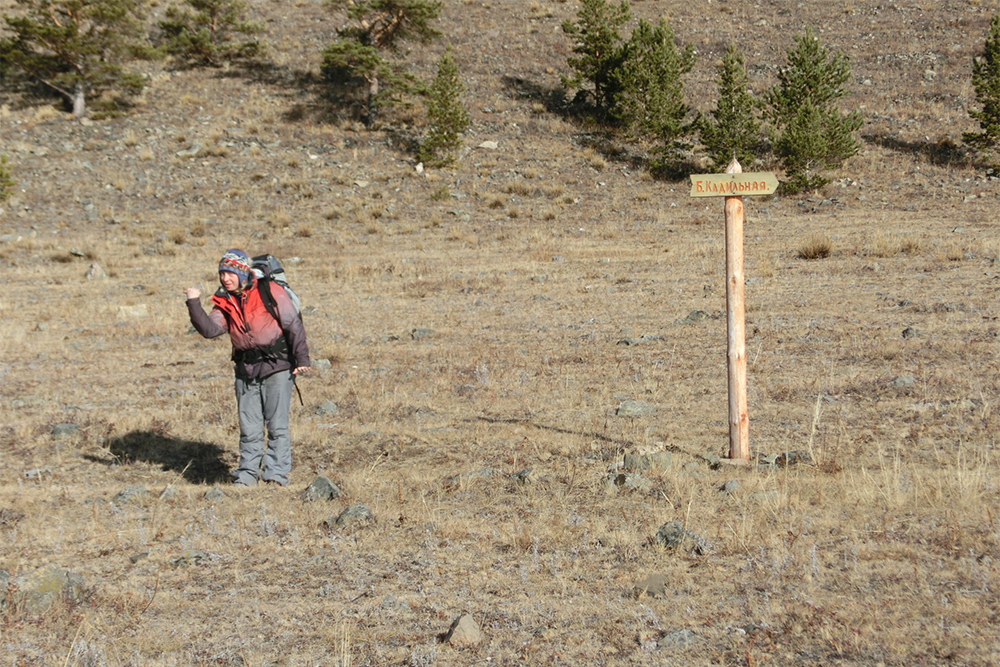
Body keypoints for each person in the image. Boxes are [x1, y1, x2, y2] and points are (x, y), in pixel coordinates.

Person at [184, 249, 310, 486]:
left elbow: (293, 324)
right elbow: (211, 330)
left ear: (242, 272)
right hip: (246, 368)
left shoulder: (269, 291)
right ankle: (246, 475)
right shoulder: (225, 300)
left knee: (277, 425)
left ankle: (275, 475)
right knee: (249, 427)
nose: (224, 278)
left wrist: (302, 359)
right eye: (222, 273)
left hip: (278, 366)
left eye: (229, 273)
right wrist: (193, 303)